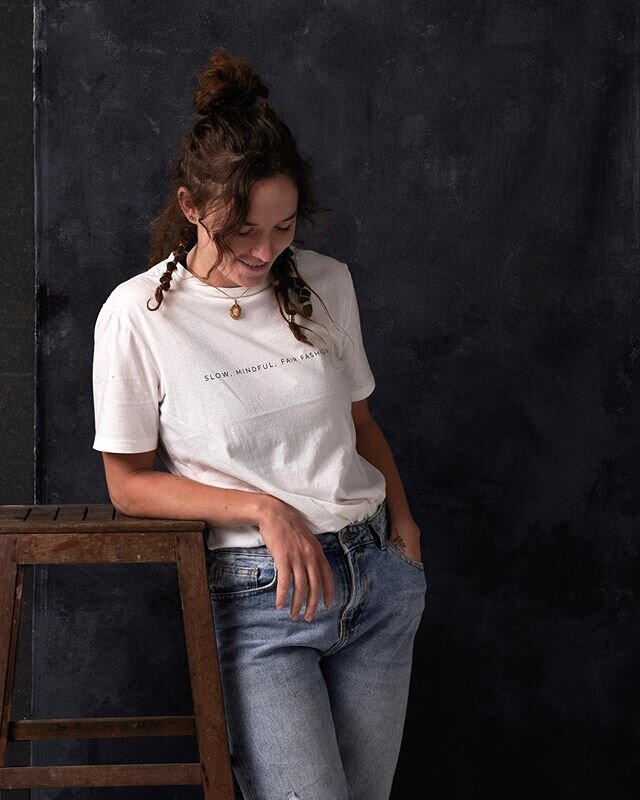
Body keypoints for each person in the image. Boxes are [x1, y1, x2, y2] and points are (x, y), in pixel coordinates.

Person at [92, 47, 426, 800]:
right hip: (258, 604)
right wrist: (262, 508)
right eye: (244, 229)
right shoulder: (139, 316)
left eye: (283, 227)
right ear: (191, 207)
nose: (266, 250)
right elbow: (127, 484)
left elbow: (360, 422)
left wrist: (404, 532)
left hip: (377, 580)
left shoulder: (326, 281)